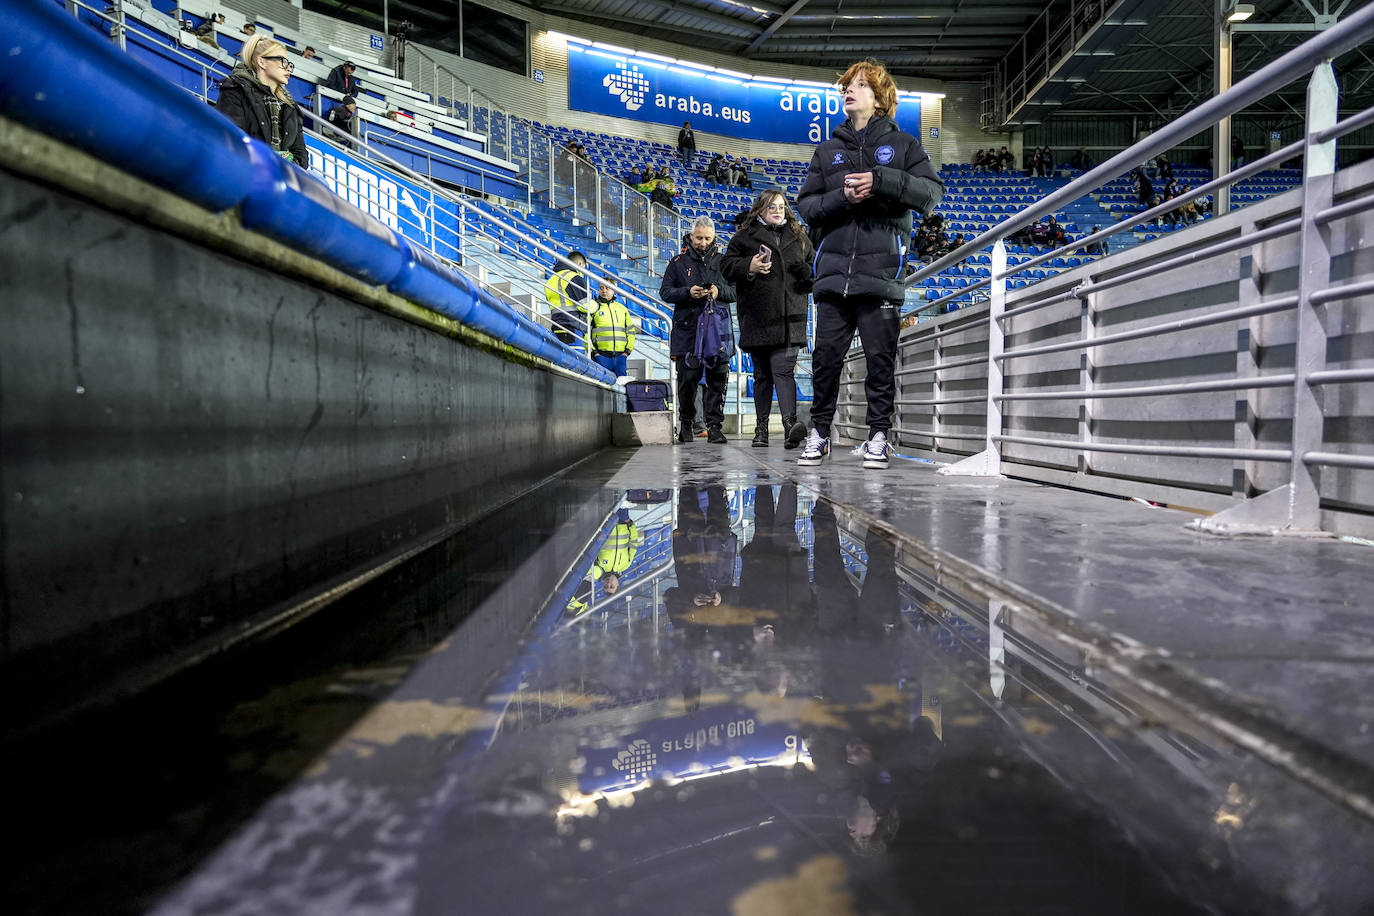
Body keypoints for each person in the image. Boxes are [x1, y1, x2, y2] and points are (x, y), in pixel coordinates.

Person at [796, 60, 942, 470]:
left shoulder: (905, 146)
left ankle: (879, 433)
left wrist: (880, 180)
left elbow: (932, 192)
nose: (849, 90)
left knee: (880, 361)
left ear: (879, 99)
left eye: (860, 85)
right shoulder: (827, 151)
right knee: (825, 359)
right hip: (832, 277)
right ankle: (819, 432)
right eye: (846, 85)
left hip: (880, 276)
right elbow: (806, 206)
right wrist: (843, 197)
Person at [721, 190, 814, 449]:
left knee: (783, 371)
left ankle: (789, 426)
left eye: (782, 207)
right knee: (762, 375)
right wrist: (749, 267)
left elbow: (815, 268)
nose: (777, 210)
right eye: (772, 206)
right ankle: (761, 429)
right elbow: (726, 268)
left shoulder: (799, 237)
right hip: (759, 316)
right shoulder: (743, 237)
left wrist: (807, 273)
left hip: (791, 317)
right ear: (760, 208)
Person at [660, 216, 736, 444]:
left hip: (717, 331)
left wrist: (716, 292)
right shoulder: (677, 262)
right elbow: (665, 292)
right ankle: (686, 424)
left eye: (707, 238)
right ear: (691, 236)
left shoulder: (724, 262)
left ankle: (715, 427)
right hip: (688, 330)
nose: (703, 242)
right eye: (699, 238)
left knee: (718, 379)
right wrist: (687, 292)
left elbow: (734, 292)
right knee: (687, 379)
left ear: (714, 238)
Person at [215, 35, 308, 168]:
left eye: (289, 64)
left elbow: (301, 155)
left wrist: (286, 164)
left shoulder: (290, 106)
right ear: (261, 62)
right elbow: (231, 139)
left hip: (282, 178)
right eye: (282, 61)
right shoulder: (235, 90)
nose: (288, 68)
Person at [587, 280, 636, 378]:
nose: (604, 291)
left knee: (621, 387)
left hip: (620, 357)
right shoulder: (593, 308)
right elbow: (585, 331)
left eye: (607, 288)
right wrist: (594, 352)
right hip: (601, 356)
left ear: (613, 289)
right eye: (601, 288)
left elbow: (630, 331)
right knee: (601, 387)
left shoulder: (622, 309)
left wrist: (627, 351)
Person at [544, 250, 591, 347]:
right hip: (573, 327)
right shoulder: (574, 277)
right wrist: (596, 305)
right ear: (580, 264)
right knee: (575, 360)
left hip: (557, 326)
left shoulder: (551, 279)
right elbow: (585, 306)